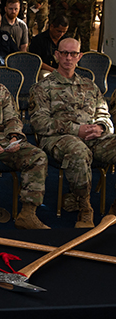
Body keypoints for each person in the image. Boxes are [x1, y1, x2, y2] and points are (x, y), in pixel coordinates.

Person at [29, 38, 114, 228]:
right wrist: (77, 130)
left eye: (73, 53)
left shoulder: (89, 86)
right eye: (64, 53)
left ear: (79, 56)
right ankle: (85, 208)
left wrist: (100, 127)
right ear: (56, 55)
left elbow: (104, 114)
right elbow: (39, 123)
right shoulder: (43, 87)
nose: (68, 57)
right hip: (58, 138)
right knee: (78, 151)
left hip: (93, 136)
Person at [0, 47, 49, 232]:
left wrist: (14, 138)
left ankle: (28, 214)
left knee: (37, 156)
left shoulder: (0, 90)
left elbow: (13, 118)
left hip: (3, 140)